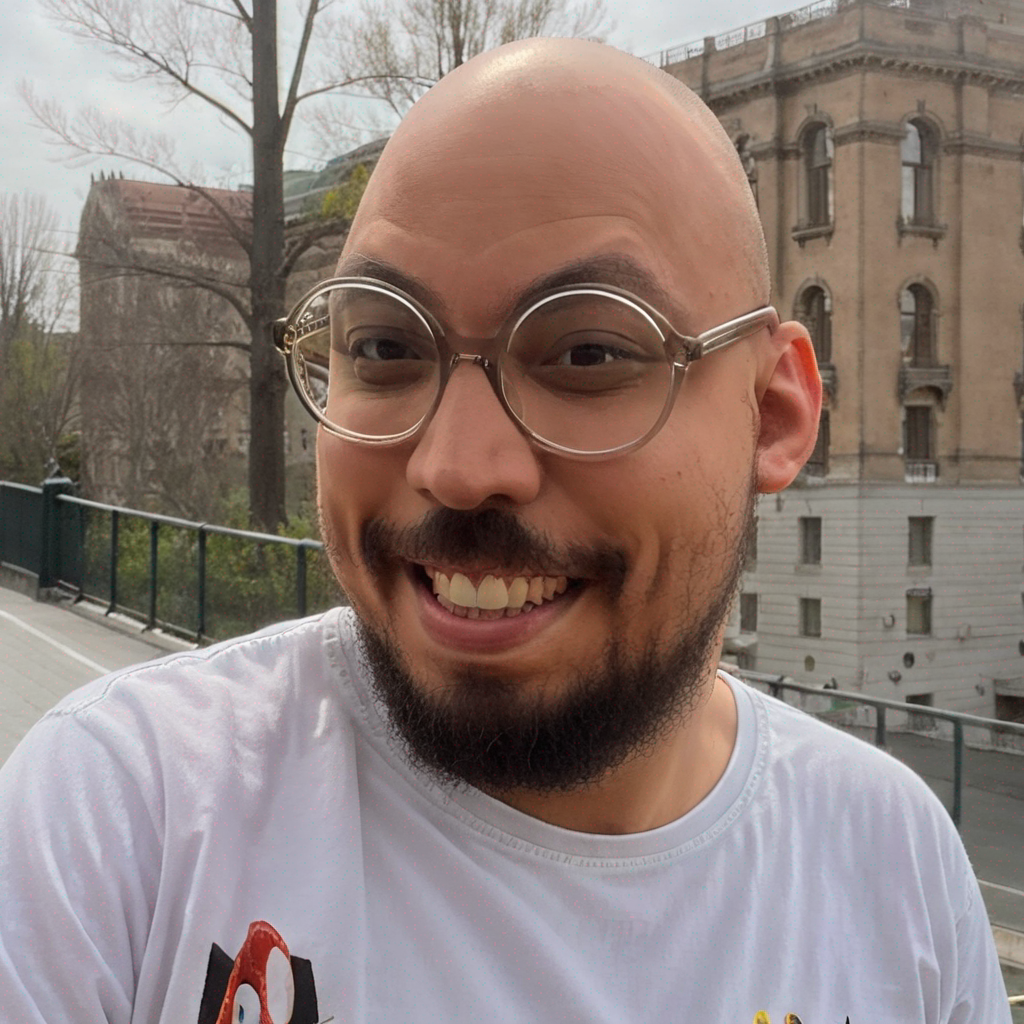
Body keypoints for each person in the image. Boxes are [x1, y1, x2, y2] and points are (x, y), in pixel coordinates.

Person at [0, 38, 1010, 1024]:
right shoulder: (120, 823)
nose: (456, 466)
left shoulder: (896, 872)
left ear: (775, 414)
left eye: (587, 352)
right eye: (383, 345)